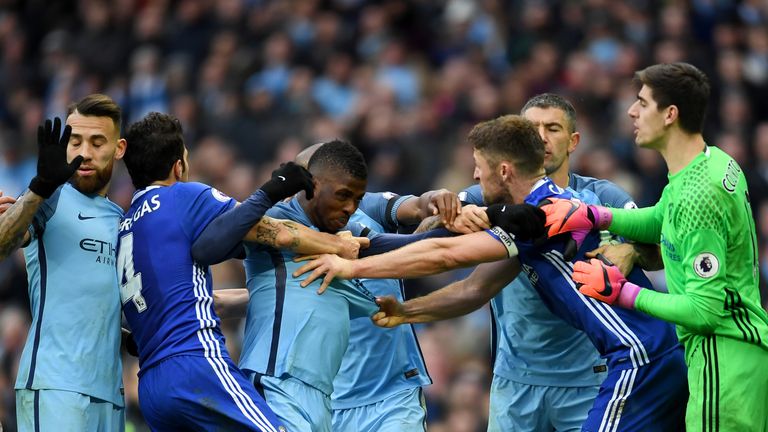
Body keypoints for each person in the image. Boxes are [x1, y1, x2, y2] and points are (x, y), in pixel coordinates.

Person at [295, 115, 688, 431]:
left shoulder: (545, 214)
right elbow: (472, 288)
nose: (475, 177)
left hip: (639, 358)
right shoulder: (531, 211)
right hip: (640, 356)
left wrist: (352, 265)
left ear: (502, 170)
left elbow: (446, 256)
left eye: (479, 168)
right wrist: (406, 311)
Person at [543, 62, 768, 431]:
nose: (632, 111)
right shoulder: (710, 163)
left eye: (643, 103)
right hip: (741, 355)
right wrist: (594, 215)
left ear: (670, 115)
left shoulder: (700, 193)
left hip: (721, 361)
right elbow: (662, 217)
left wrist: (622, 293)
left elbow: (705, 311)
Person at [118, 112, 363, 431]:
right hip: (195, 363)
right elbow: (276, 233)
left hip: (151, 386)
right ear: (179, 166)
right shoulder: (183, 196)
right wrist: (338, 247)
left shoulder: (124, 227)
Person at [194, 139, 452, 431]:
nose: (349, 207)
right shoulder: (276, 223)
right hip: (309, 391)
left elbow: (409, 219)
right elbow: (212, 247)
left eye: (353, 197)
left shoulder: (359, 213)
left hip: (387, 392)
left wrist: (443, 212)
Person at [451, 93, 663, 431]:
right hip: (515, 379)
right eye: (532, 128)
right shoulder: (486, 194)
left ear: (573, 141)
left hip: (587, 380)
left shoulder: (604, 196)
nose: (541, 138)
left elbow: (663, 251)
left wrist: (634, 251)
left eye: (553, 128)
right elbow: (439, 221)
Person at [0, 94, 127, 431]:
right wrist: (40, 187)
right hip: (56, 385)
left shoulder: (125, 222)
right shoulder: (49, 199)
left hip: (111, 394)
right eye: (75, 141)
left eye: (97, 141)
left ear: (119, 148)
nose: (84, 152)